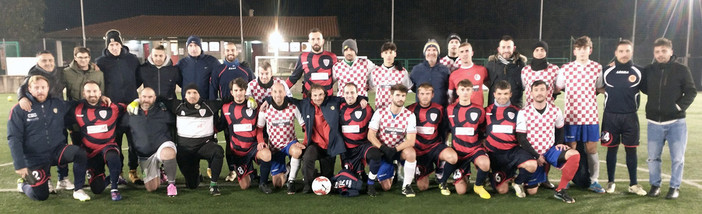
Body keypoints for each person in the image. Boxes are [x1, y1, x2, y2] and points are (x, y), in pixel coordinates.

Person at [8, 75, 90, 201]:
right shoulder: (19, 110)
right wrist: (19, 165)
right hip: (35, 158)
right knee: (41, 195)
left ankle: (78, 189)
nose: (40, 90)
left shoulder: (57, 104)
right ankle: (24, 184)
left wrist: (96, 98)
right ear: (29, 89)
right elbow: (14, 138)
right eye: (36, 87)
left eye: (43, 87)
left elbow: (76, 104)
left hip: (57, 151)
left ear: (48, 88)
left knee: (80, 153)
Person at [641, 38, 697, 199]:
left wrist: (678, 107)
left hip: (676, 123)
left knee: (677, 158)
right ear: (654, 53)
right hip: (653, 123)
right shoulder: (649, 70)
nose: (660, 54)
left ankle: (674, 187)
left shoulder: (681, 69)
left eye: (664, 51)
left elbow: (691, 91)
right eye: (657, 52)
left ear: (671, 52)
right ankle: (655, 186)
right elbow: (642, 85)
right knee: (653, 158)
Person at [516, 80, 581, 203]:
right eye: (536, 90)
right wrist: (536, 155)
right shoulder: (523, 113)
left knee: (575, 155)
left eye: (542, 90)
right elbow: (521, 139)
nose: (539, 93)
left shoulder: (555, 110)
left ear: (547, 92)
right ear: (530, 93)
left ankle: (560, 190)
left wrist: (560, 143)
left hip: (550, 150)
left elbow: (560, 129)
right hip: (532, 154)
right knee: (532, 191)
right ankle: (526, 177)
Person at [16, 50, 72, 192]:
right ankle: (44, 179)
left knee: (62, 145)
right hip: (41, 114)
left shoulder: (59, 72)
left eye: (50, 60)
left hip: (58, 112)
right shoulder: (33, 74)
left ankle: (63, 179)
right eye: (44, 61)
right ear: (38, 63)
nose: (48, 63)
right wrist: (22, 97)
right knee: (43, 147)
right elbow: (22, 88)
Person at [555, 35, 605, 193]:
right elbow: (558, 88)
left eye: (585, 48)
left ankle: (594, 180)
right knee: (571, 149)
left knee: (591, 149)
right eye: (579, 49)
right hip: (571, 117)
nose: (582, 52)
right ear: (574, 51)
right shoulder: (566, 68)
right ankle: (567, 179)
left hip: (590, 116)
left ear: (590, 50)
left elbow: (599, 88)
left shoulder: (597, 68)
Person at [599, 40, 647, 196]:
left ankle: (633, 184)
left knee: (631, 151)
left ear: (631, 52)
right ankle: (611, 182)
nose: (624, 54)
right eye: (621, 51)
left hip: (630, 117)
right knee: (611, 150)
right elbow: (596, 87)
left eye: (627, 51)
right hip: (610, 117)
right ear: (615, 53)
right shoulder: (606, 71)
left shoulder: (639, 71)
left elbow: (650, 90)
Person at [95, 29, 142, 185]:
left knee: (134, 142)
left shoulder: (132, 59)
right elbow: (98, 83)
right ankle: (119, 172)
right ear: (107, 45)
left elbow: (138, 80)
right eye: (111, 44)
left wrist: (131, 94)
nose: (114, 47)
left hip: (131, 107)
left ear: (121, 44)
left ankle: (133, 171)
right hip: (111, 109)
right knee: (115, 142)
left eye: (116, 44)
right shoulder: (100, 62)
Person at [67, 81, 124, 201]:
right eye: (88, 91)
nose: (92, 94)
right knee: (97, 189)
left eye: (94, 91)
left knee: (113, 157)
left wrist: (137, 102)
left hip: (108, 146)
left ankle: (114, 188)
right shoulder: (76, 108)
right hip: (90, 152)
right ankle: (113, 177)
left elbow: (128, 107)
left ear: (100, 93)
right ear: (83, 93)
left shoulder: (111, 107)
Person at [165, 84, 225, 195]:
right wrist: (137, 101)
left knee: (218, 151)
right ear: (184, 95)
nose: (192, 95)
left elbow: (227, 99)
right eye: (189, 93)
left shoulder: (209, 105)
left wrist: (247, 98)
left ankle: (214, 185)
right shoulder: (177, 105)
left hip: (204, 146)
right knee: (192, 185)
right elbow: (159, 99)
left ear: (199, 94)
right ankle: (196, 175)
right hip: (185, 150)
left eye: (195, 93)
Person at [219, 78, 273, 193]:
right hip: (238, 152)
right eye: (236, 90)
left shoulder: (254, 106)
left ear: (245, 91)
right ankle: (252, 173)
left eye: (241, 90)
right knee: (245, 186)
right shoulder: (225, 108)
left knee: (267, 154)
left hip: (253, 147)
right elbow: (220, 126)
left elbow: (260, 126)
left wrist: (260, 141)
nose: (239, 93)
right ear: (231, 92)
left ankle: (263, 183)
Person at [484, 80, 537, 197]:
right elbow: (480, 132)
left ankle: (517, 182)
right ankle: (495, 176)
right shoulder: (486, 111)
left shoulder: (518, 112)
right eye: (499, 94)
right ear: (494, 94)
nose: (502, 97)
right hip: (495, 154)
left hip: (513, 151)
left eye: (505, 93)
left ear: (510, 94)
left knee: (532, 165)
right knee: (502, 190)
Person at [125, 87, 179, 197]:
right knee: (151, 188)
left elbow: (177, 121)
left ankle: (171, 184)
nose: (146, 99)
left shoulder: (163, 111)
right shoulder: (131, 113)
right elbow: (119, 127)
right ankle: (160, 173)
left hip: (161, 147)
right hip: (145, 156)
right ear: (139, 97)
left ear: (154, 98)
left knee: (168, 152)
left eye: (150, 97)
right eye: (144, 96)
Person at [296, 84, 349, 193]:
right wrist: (268, 100)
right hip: (315, 144)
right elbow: (289, 99)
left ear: (325, 95)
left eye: (320, 94)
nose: (318, 98)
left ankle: (316, 174)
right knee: (307, 158)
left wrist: (362, 99)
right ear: (310, 96)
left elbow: (349, 98)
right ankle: (308, 184)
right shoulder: (306, 104)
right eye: (315, 95)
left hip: (330, 146)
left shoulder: (333, 101)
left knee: (327, 178)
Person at [407, 83, 458, 196]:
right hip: (419, 150)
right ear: (418, 95)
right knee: (423, 187)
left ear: (432, 95)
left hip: (435, 147)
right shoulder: (410, 110)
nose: (425, 96)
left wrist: (443, 144)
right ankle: (423, 169)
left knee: (452, 157)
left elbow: (444, 129)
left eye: (428, 94)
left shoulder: (439, 109)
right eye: (422, 94)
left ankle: (442, 179)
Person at [368, 84, 418, 197]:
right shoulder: (380, 112)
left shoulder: (410, 115)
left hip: (398, 151)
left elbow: (411, 141)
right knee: (386, 187)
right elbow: (370, 135)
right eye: (398, 95)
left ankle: (406, 186)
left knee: (411, 152)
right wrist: (383, 148)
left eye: (403, 96)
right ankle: (393, 169)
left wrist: (394, 150)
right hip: (383, 151)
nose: (401, 98)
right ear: (391, 96)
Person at [256, 82, 305, 194]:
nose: (278, 94)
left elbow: (304, 126)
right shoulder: (265, 109)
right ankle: (288, 169)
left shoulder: (293, 107)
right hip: (274, 148)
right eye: (275, 92)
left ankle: (291, 182)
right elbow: (259, 129)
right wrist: (261, 142)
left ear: (285, 93)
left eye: (280, 91)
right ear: (271, 93)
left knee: (297, 151)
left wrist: (304, 142)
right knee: (277, 184)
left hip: (289, 144)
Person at [445, 80, 491, 198]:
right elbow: (447, 128)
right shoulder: (450, 109)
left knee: (485, 163)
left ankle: (478, 186)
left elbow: (482, 129)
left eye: (468, 90)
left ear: (472, 92)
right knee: (461, 191)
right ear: (457, 91)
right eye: (462, 90)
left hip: (474, 149)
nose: (465, 93)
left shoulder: (479, 110)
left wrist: (483, 145)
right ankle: (463, 175)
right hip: (458, 151)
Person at [338, 83, 383, 197]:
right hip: (347, 148)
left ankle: (371, 183)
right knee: (351, 181)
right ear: (343, 94)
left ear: (357, 93)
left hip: (363, 145)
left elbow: (374, 126)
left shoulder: (366, 108)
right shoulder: (339, 107)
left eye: (352, 92)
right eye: (347, 93)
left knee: (376, 155)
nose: (350, 95)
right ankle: (362, 173)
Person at [286, 28, 338, 97]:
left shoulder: (332, 57)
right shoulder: (303, 57)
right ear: (309, 41)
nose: (316, 42)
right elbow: (294, 77)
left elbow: (340, 76)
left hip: (328, 100)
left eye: (318, 39)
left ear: (323, 41)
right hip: (309, 99)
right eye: (313, 39)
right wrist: (281, 88)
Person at [485, 35, 527, 107]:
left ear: (514, 48)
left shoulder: (521, 65)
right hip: (494, 109)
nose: (506, 50)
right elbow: (486, 82)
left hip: (515, 109)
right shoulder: (490, 65)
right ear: (499, 49)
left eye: (509, 47)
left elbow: (524, 86)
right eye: (503, 47)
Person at [369, 42, 412, 110]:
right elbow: (371, 87)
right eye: (386, 53)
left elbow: (407, 87)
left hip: (396, 111)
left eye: (391, 52)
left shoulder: (402, 72)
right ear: (382, 55)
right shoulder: (375, 72)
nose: (388, 55)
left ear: (395, 54)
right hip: (380, 111)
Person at [177, 35, 222, 100]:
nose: (193, 48)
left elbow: (221, 75)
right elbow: (178, 79)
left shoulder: (212, 61)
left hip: (206, 101)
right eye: (190, 45)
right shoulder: (182, 63)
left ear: (200, 46)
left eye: (196, 45)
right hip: (188, 102)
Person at [410, 39, 450, 106]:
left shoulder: (445, 70)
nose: (431, 53)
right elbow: (413, 88)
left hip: (440, 110)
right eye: (428, 50)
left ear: (438, 53)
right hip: (421, 111)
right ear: (424, 53)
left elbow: (448, 88)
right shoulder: (416, 70)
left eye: (434, 50)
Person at [448, 42, 488, 106]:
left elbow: (489, 84)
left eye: (467, 51)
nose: (464, 54)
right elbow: (450, 96)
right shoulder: (453, 75)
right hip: (460, 111)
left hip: (478, 111)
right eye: (462, 52)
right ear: (459, 55)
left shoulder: (482, 70)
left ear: (472, 53)